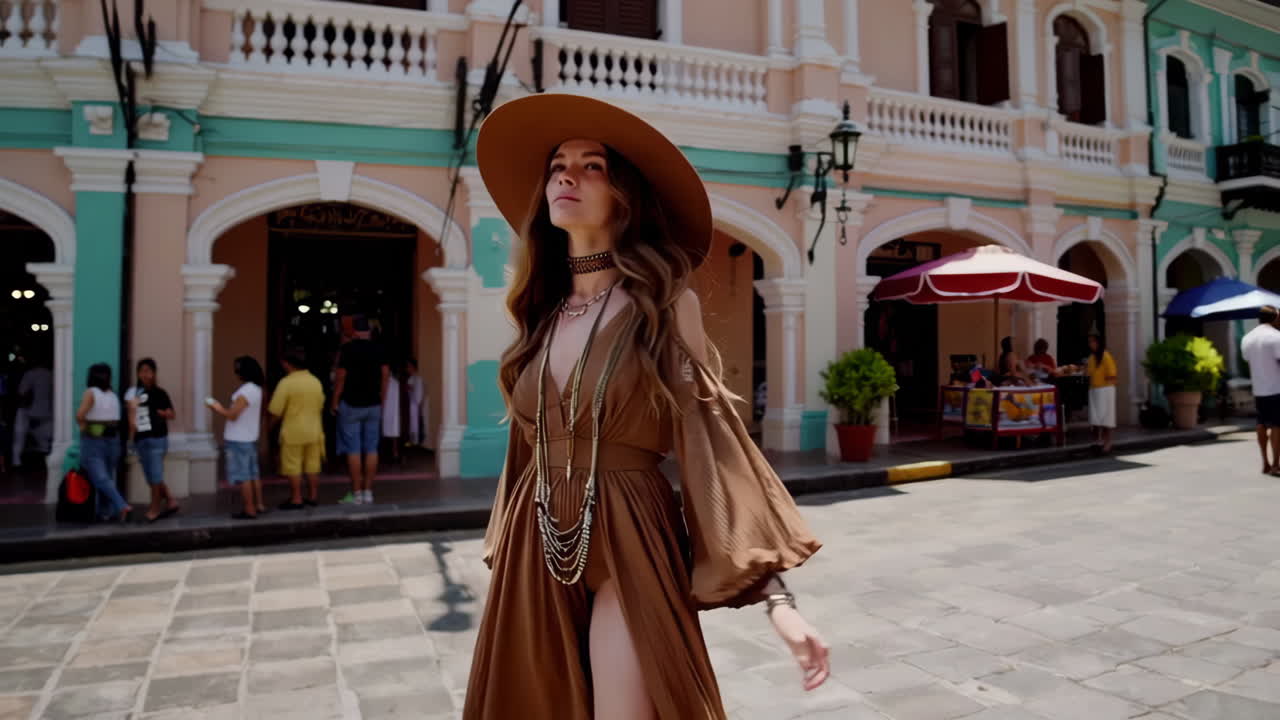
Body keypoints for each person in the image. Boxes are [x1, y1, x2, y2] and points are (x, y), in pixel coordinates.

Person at [463, 94, 828, 720]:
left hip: (632, 535)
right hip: (538, 539)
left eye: (592, 166)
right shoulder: (541, 318)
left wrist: (777, 599)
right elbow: (524, 452)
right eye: (557, 166)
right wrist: (506, 546)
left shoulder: (663, 305)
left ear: (625, 195)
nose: (566, 177)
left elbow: (713, 447)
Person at [332, 316, 388, 504]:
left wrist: (334, 400)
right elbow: (385, 375)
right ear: (369, 332)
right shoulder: (379, 348)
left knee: (353, 449)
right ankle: (368, 492)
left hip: (351, 404)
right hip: (373, 404)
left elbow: (340, 377)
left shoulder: (347, 349)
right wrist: (383, 398)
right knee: (372, 449)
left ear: (354, 331)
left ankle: (356, 493)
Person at [209, 356, 267, 519]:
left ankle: (249, 509)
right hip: (249, 438)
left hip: (239, 439)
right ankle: (258, 504)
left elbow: (232, 415)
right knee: (253, 474)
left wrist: (217, 407)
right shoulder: (257, 390)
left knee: (243, 476)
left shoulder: (245, 391)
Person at [124, 358, 180, 523]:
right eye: (142, 371)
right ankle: (170, 500)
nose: (145, 374)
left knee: (155, 475)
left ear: (154, 373)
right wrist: (131, 439)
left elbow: (172, 414)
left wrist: (164, 414)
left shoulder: (160, 393)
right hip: (141, 439)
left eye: (149, 371)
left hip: (157, 439)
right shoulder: (133, 393)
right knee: (151, 477)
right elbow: (130, 419)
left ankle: (154, 509)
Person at [269, 348, 325, 510]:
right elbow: (320, 404)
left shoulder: (286, 383)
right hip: (314, 430)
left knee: (292, 465)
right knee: (313, 465)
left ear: (288, 364)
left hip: (293, 431)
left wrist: (269, 427)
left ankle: (296, 498)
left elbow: (276, 410)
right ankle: (313, 496)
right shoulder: (315, 381)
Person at [75, 363, 131, 523]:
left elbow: (80, 416)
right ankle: (113, 508)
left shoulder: (98, 393)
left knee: (103, 478)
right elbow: (81, 415)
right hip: (106, 440)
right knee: (104, 477)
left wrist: (87, 429)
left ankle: (111, 509)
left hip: (102, 439)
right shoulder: (102, 393)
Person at [1240, 305, 1280, 474]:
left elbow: (1247, 359)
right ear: (1275, 318)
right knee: (1277, 425)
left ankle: (1265, 462)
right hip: (1276, 388)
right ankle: (1276, 464)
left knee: (1261, 424)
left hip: (1259, 389)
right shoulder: (1276, 337)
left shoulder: (1247, 338)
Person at [11, 355, 52, 468]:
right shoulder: (50, 374)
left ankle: (16, 463)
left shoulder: (30, 374)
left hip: (28, 412)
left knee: (19, 438)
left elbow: (22, 393)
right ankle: (42, 462)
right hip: (46, 414)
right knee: (44, 442)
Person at [1086, 332, 1118, 453]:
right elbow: (1089, 372)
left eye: (1092, 341)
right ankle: (1097, 441)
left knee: (1106, 418)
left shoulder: (1106, 356)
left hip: (1105, 390)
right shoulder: (1091, 358)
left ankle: (1108, 443)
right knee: (1095, 419)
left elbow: (1112, 376)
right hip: (1094, 390)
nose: (1090, 344)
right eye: (1089, 342)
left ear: (1098, 343)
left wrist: (1102, 380)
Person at [404, 358, 427, 448]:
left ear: (413, 367)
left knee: (415, 424)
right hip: (415, 404)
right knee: (414, 424)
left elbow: (410, 389)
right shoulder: (416, 377)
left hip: (416, 404)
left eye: (408, 367)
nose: (407, 369)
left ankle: (415, 441)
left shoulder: (414, 378)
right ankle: (414, 441)